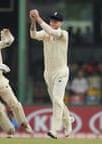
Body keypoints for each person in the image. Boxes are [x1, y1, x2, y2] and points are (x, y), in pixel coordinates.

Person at [29, 9, 74, 139]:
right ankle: (68, 121)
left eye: (55, 21)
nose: (53, 22)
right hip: (48, 72)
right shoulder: (45, 32)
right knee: (56, 100)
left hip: (61, 72)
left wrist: (38, 18)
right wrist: (33, 21)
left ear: (61, 23)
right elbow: (33, 35)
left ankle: (54, 130)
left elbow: (52, 32)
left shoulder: (63, 34)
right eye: (51, 20)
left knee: (57, 99)